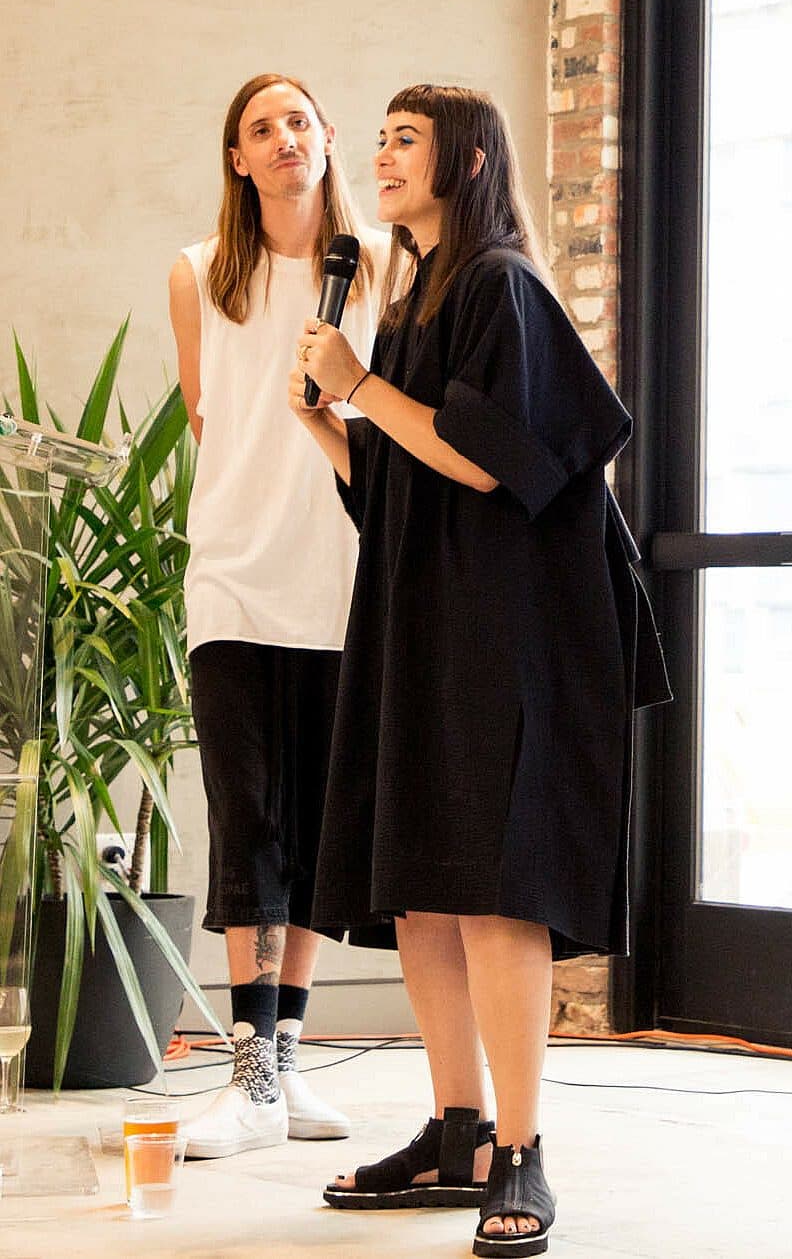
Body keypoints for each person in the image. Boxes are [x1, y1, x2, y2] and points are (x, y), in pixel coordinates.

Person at [289, 83, 667, 1258]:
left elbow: (499, 462)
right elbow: (408, 482)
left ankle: (519, 1146)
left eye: (405, 139)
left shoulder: (501, 283)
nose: (384, 154)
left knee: (497, 882)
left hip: (510, 639)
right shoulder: (412, 301)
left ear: (463, 160)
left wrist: (361, 389)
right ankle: (453, 1130)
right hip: (426, 624)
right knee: (424, 877)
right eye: (386, 137)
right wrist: (338, 428)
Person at [168, 73, 386, 1157]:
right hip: (237, 581)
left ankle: (284, 1066)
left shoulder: (385, 262)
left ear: (326, 139)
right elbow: (208, 420)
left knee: (308, 828)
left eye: (299, 118)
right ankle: (248, 1074)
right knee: (246, 821)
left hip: (347, 581)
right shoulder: (200, 274)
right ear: (238, 159)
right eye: (261, 126)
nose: (284, 136)